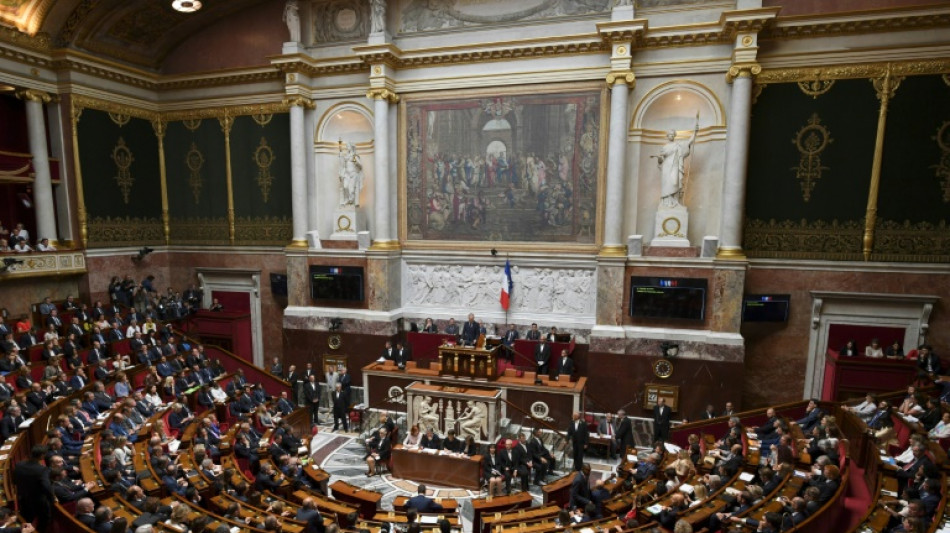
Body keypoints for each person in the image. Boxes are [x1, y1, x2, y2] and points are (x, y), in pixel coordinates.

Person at [654, 120, 698, 208]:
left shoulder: (678, 145)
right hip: (666, 168)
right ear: (667, 136)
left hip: (675, 167)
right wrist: (659, 159)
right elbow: (661, 160)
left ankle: (675, 202)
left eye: (672, 135)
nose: (671, 136)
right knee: (667, 184)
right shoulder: (665, 147)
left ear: (674, 136)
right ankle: (667, 202)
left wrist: (695, 132)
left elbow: (689, 141)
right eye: (670, 134)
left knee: (675, 182)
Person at [14, 445, 54, 533]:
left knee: (26, 520)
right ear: (42, 456)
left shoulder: (19, 465)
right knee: (44, 520)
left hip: (23, 498)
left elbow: (14, 481)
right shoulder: (42, 470)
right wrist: (52, 500)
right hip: (38, 501)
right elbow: (47, 487)